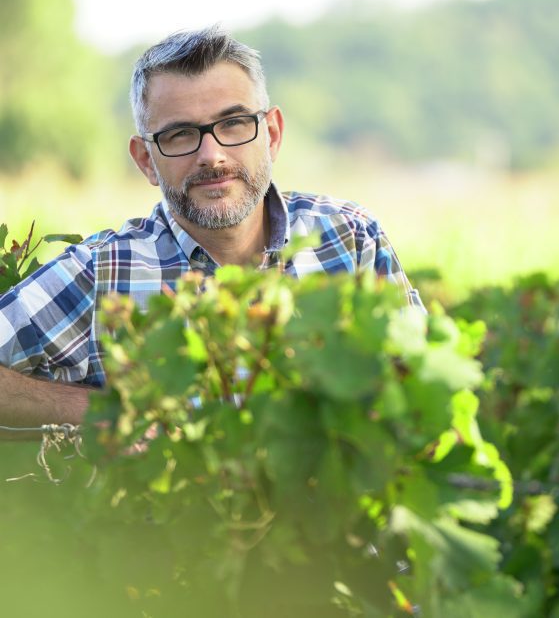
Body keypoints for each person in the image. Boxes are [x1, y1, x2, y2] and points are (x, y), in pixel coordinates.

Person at [0, 24, 423, 436]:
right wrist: (95, 410)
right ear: (146, 159)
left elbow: (420, 379)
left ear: (271, 134)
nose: (211, 155)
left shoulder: (349, 239)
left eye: (234, 123)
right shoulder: (102, 273)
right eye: (180, 134)